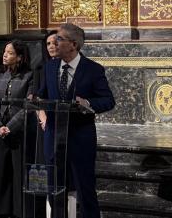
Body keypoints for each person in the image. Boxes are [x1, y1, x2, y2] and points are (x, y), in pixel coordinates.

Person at [37, 23, 115, 218]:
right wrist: (36, 103)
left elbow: (108, 100)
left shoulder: (93, 69)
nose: (54, 42)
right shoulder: (50, 67)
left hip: (81, 138)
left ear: (73, 44)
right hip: (53, 137)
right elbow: (41, 95)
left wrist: (87, 102)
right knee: (54, 189)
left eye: (60, 39)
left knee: (85, 189)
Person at [0, 40, 35, 218]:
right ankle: (0, 210)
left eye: (9, 52)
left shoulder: (29, 76)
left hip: (19, 130)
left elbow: (29, 105)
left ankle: (19, 211)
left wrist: (10, 127)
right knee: (0, 171)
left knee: (19, 171)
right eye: (4, 52)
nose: (4, 55)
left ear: (20, 57)